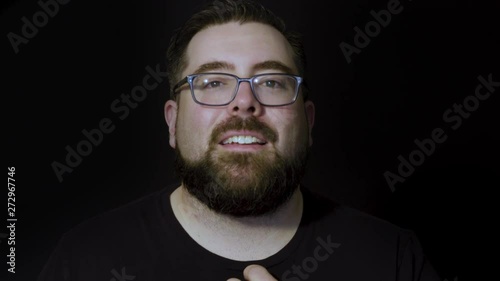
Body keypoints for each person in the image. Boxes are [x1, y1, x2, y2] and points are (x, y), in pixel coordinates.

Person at [37, 0, 442, 280]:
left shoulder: (392, 259)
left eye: (271, 81)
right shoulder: (85, 259)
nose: (244, 103)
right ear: (172, 122)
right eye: (213, 83)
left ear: (308, 120)